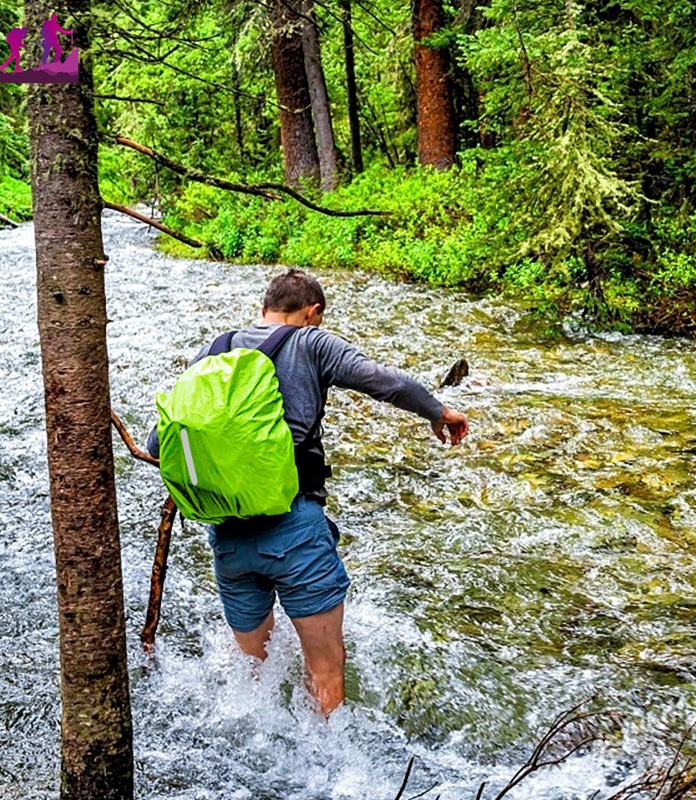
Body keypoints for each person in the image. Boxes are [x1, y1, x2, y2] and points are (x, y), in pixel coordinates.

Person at [147, 269, 469, 715]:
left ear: (264, 307)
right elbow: (386, 382)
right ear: (312, 312)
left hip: (228, 540)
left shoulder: (214, 350)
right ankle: (325, 768)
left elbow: (156, 444)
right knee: (325, 673)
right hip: (294, 530)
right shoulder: (312, 343)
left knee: (252, 676)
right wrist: (439, 411)